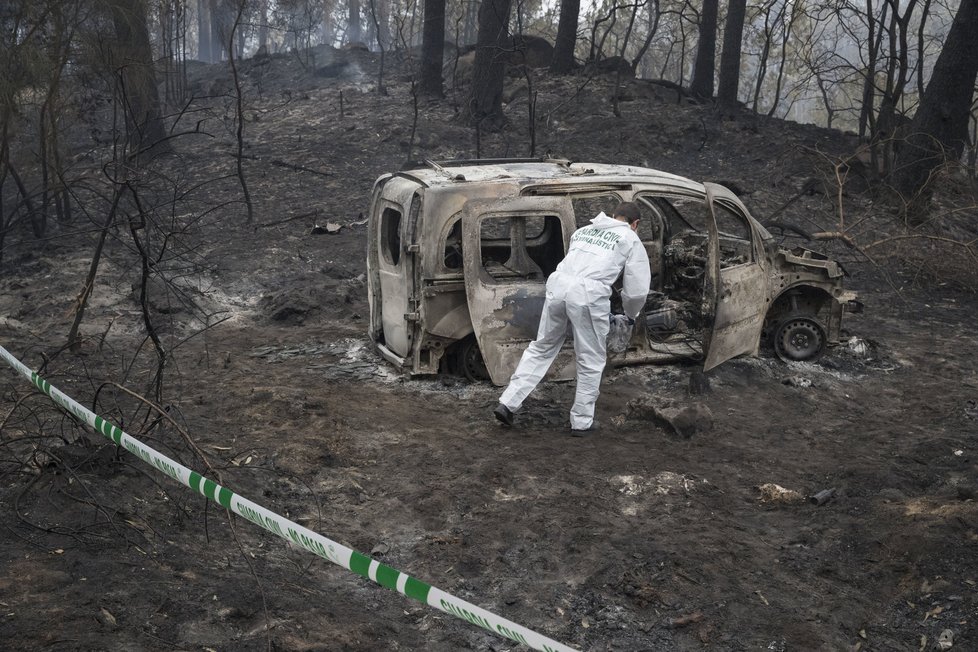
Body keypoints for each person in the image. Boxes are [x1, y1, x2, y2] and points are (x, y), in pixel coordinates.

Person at [493, 201, 651, 434]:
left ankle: (507, 403)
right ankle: (582, 422)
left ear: (612, 214)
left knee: (542, 347)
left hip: (558, 285)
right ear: (635, 224)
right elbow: (636, 290)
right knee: (591, 358)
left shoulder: (584, 231)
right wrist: (629, 315)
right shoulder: (630, 238)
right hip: (588, 293)